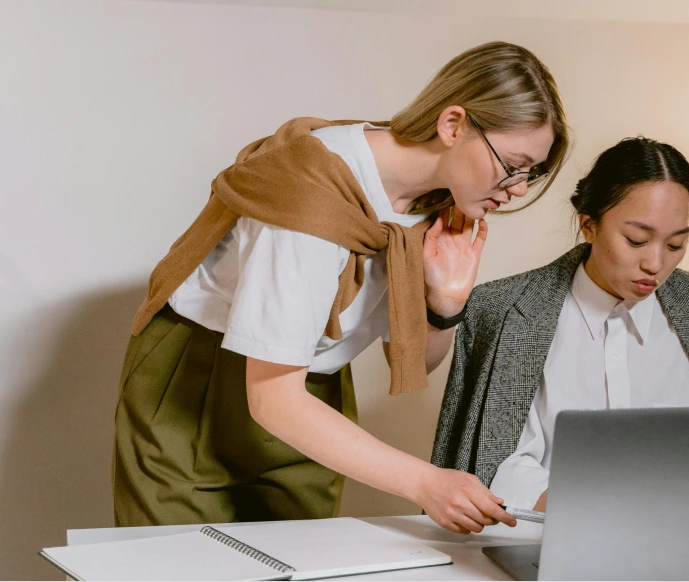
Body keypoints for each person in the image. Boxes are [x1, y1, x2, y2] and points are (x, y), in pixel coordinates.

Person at [114, 41, 571, 534]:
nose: (520, 187)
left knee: (304, 560)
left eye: (533, 171)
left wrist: (446, 302)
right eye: (513, 164)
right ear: (453, 125)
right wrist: (426, 483)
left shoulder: (436, 203)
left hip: (314, 391)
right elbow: (271, 398)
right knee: (178, 564)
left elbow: (417, 362)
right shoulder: (312, 196)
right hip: (202, 381)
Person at [431, 137, 689, 511]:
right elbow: (493, 465)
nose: (656, 264)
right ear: (589, 224)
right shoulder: (503, 309)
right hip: (546, 541)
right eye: (637, 240)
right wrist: (601, 510)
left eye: (676, 244)